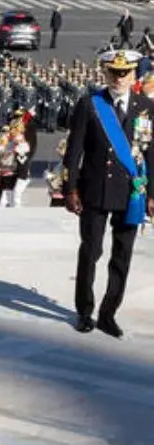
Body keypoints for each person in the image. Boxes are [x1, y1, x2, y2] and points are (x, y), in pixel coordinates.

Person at [62, 49, 154, 339]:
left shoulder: (146, 107)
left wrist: (152, 194)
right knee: (91, 252)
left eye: (125, 72)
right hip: (95, 189)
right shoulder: (91, 104)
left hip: (131, 192)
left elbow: (151, 154)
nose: (119, 78)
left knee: (122, 256)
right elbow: (74, 150)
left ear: (134, 74)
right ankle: (85, 311)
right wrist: (71, 188)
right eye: (114, 72)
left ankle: (108, 314)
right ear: (105, 73)